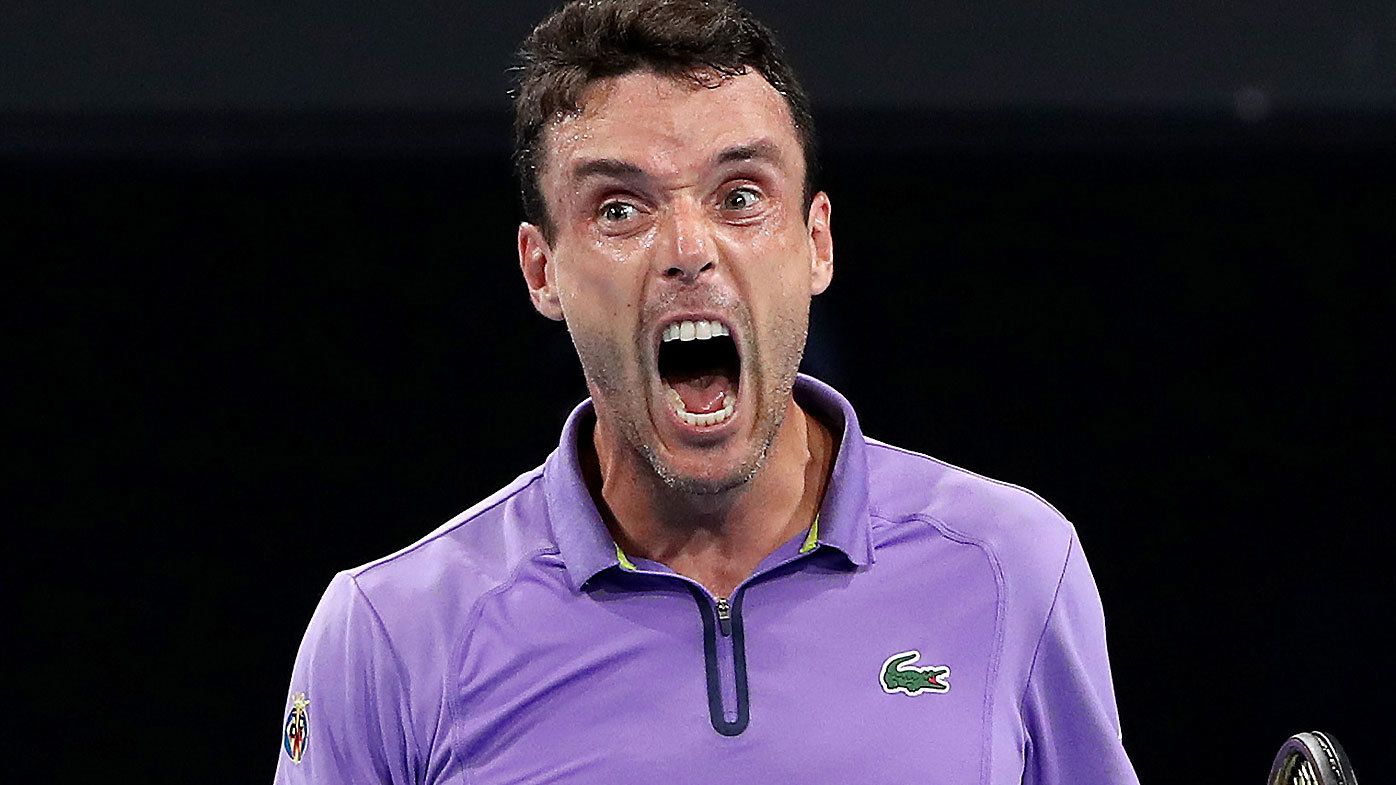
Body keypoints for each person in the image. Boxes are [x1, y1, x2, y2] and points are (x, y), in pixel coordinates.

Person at [273, 1, 1140, 783]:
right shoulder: (388, 636)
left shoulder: (1012, 565)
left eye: (740, 195)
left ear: (816, 243)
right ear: (542, 271)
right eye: (620, 209)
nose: (688, 247)